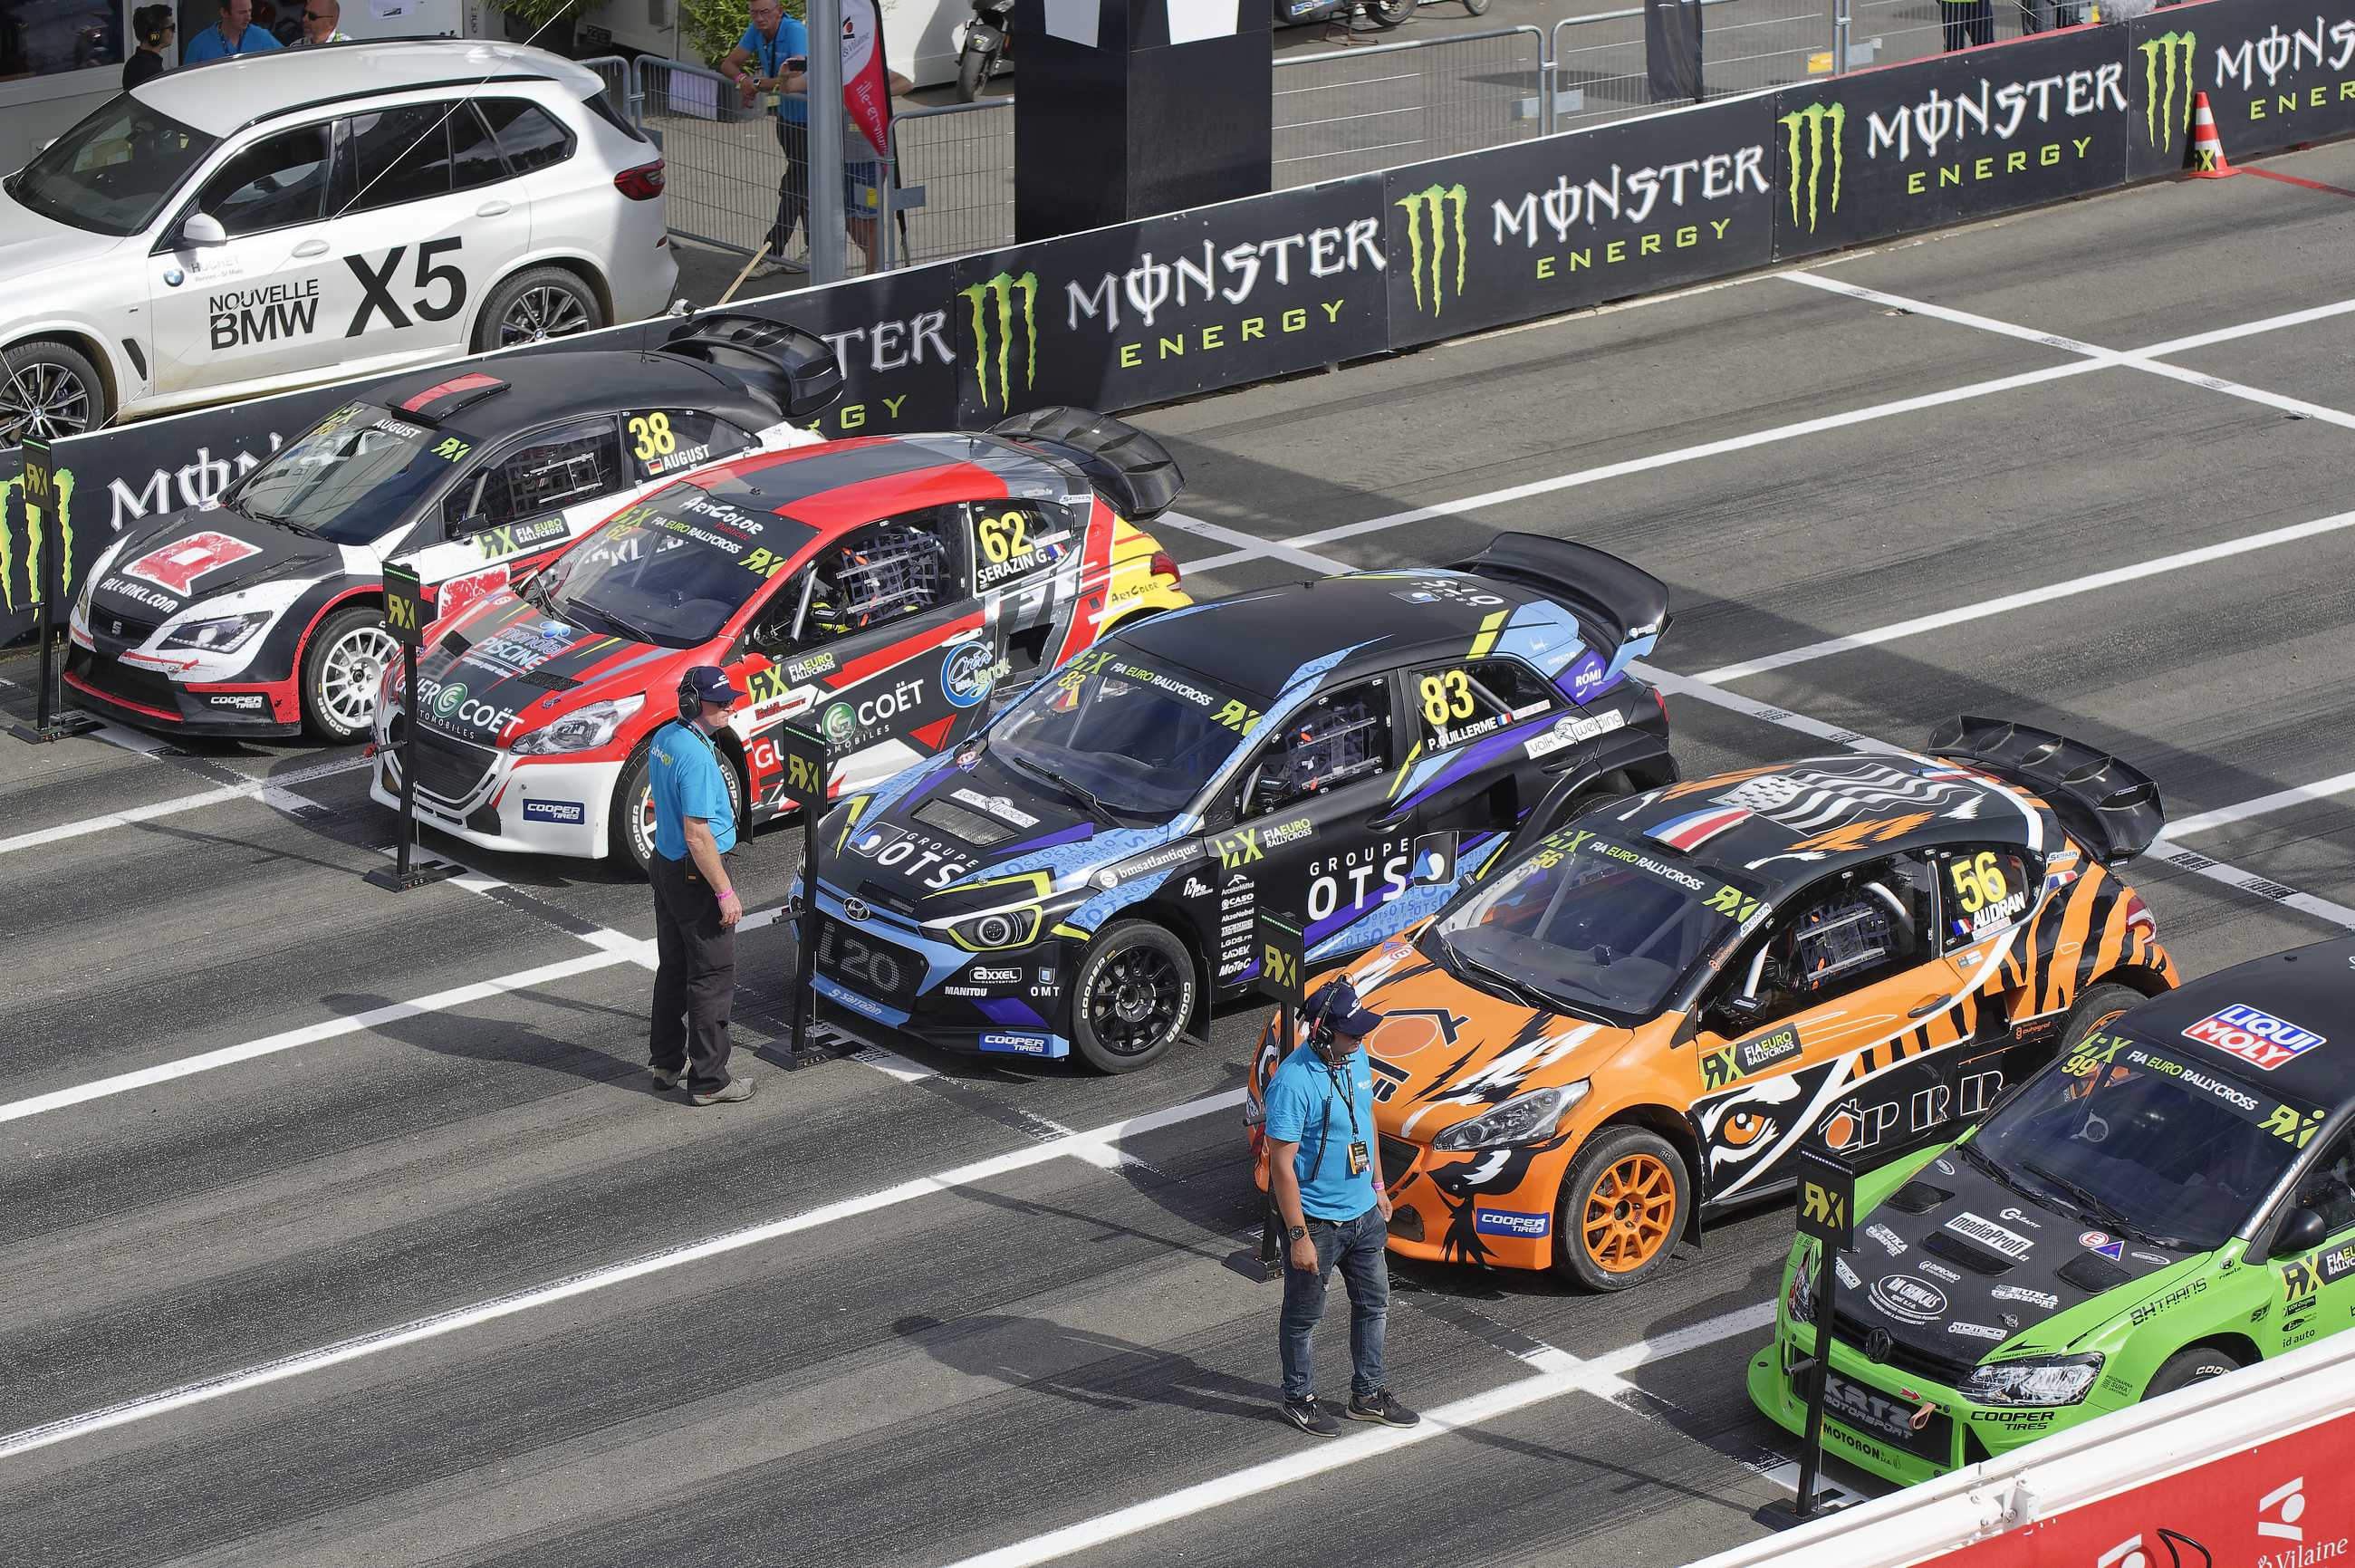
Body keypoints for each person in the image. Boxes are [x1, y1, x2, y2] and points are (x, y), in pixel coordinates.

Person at [1263, 977, 1418, 1437]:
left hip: (1364, 1215)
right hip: (1318, 1224)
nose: (1360, 1040)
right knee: (1304, 1318)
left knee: (1375, 1304)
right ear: (1323, 1032)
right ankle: (1298, 1398)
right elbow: (1281, 1166)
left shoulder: (1355, 1058)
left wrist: (1378, 1185)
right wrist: (1298, 1237)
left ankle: (1367, 1394)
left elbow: (1365, 1116)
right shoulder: (1292, 1083)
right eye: (1352, 1033)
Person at [648, 667, 755, 1105]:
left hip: (666, 866)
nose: (730, 705)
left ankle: (666, 1063)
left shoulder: (665, 739)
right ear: (694, 704)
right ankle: (710, 1080)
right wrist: (725, 892)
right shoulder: (694, 756)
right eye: (719, 701)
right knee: (711, 976)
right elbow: (698, 835)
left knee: (673, 968)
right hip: (695, 875)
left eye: (730, 698)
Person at [723, 0, 813, 277]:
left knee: (793, 186)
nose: (758, 18)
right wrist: (742, 79)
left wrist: (755, 84)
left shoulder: (795, 31)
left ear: (779, 10)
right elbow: (728, 63)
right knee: (802, 186)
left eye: (764, 12)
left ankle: (772, 252)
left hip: (812, 122)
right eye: (754, 12)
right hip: (787, 119)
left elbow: (794, 77)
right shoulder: (756, 29)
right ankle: (813, 250)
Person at [182, 0, 282, 60]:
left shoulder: (262, 37)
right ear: (224, 13)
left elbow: (285, 60)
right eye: (242, 12)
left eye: (250, 11)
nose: (249, 18)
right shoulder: (199, 45)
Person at [123, 5, 173, 88]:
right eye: (171, 27)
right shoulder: (151, 70)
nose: (173, 32)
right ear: (156, 33)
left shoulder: (133, 63)